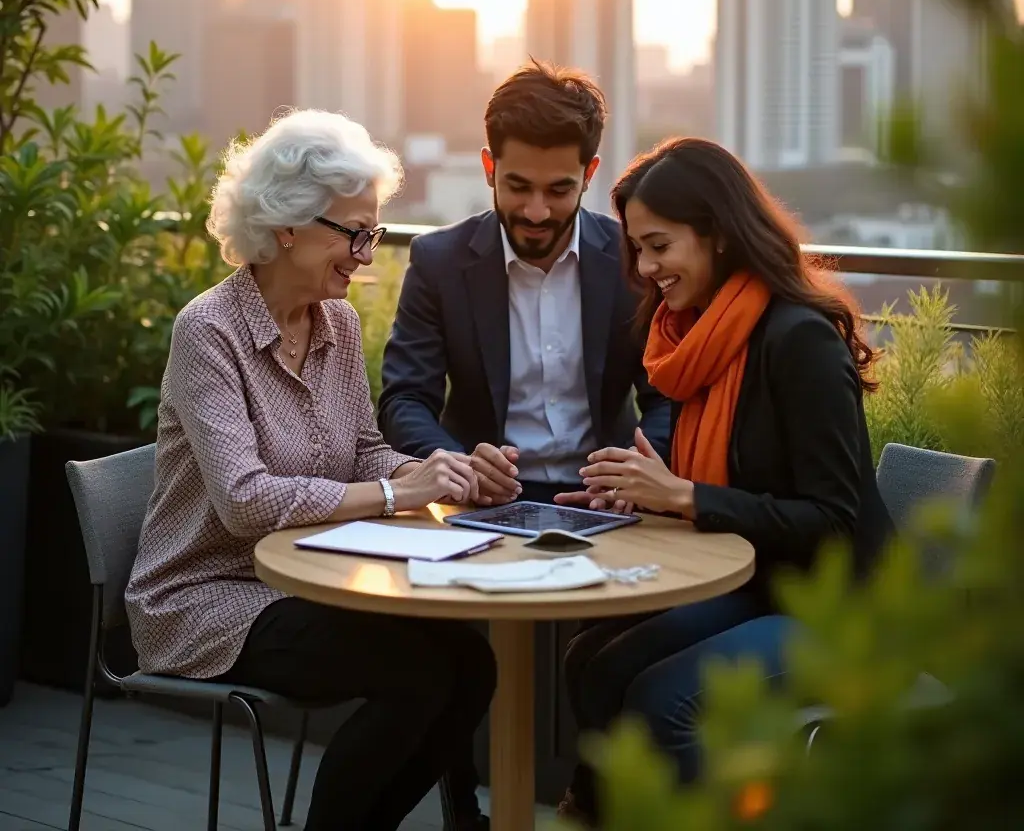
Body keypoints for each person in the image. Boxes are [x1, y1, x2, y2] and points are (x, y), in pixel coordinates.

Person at [125, 110, 496, 831]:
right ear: (288, 225)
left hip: (303, 578)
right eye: (355, 233)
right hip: (207, 600)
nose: (367, 254)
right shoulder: (209, 332)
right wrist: (396, 492)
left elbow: (362, 449)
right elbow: (243, 502)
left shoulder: (338, 323)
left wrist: (437, 471)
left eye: (374, 232)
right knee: (417, 676)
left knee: (471, 666)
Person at [551, 137, 895, 822]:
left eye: (659, 246)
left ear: (718, 235)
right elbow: (738, 473)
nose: (646, 270)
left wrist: (685, 496)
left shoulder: (798, 339)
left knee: (663, 697)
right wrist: (657, 485)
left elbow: (833, 519)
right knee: (593, 658)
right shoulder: (699, 335)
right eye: (637, 250)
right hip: (763, 578)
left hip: (837, 605)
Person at [377, 60, 673, 823]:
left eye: (558, 189)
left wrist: (641, 463)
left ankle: (589, 805)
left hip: (602, 501)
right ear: (488, 168)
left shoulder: (631, 264)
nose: (537, 211)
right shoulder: (440, 262)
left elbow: (668, 395)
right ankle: (463, 812)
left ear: (591, 174)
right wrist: (448, 458)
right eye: (517, 187)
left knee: (619, 657)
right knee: (440, 663)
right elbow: (405, 398)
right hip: (478, 504)